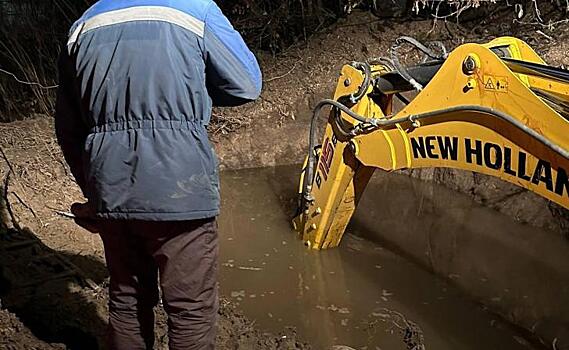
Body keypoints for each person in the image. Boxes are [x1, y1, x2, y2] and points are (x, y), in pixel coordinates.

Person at [55, 1, 262, 349]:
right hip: (181, 188)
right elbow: (247, 85)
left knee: (127, 300)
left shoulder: (84, 24)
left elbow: (69, 126)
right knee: (191, 310)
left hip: (112, 187)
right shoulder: (197, 10)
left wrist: (94, 192)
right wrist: (191, 91)